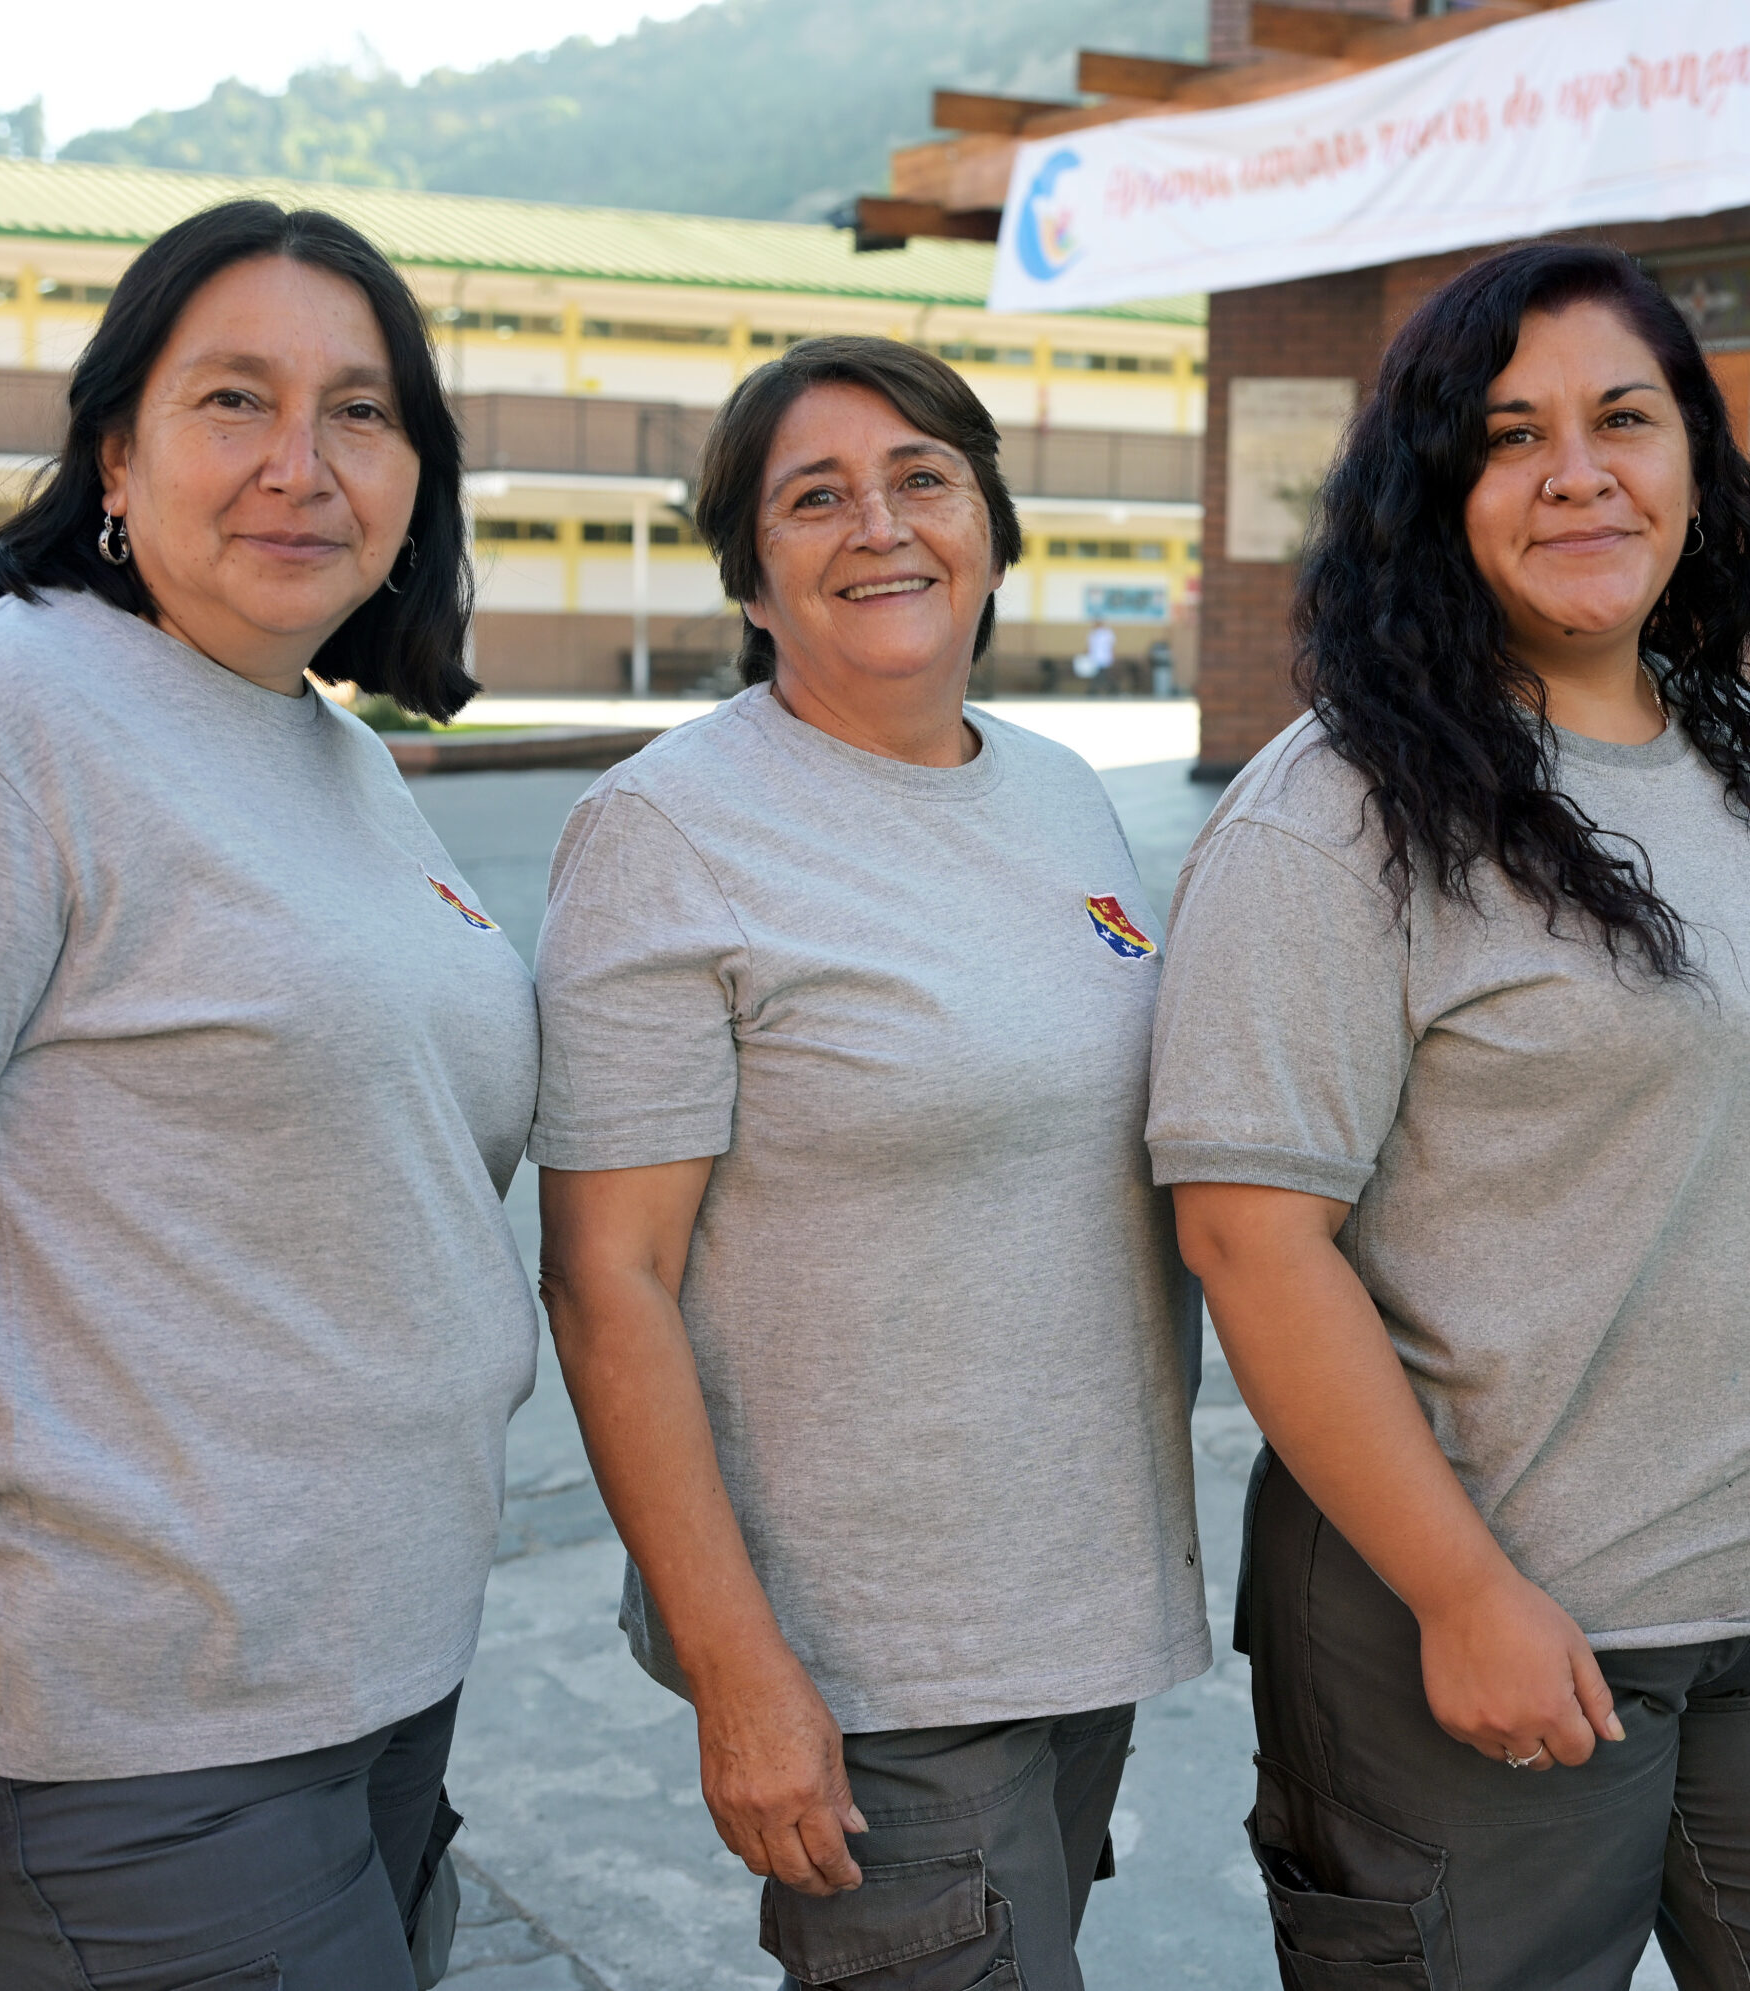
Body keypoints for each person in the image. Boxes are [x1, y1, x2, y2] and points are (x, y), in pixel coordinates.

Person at [1148, 244, 1750, 1989]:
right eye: (1511, 436)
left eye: (1623, 419)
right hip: (1499, 1610)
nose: (1578, 472)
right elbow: (1251, 1239)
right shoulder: (1333, 816)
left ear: (1692, 462)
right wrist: (1462, 1591)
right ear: (1434, 492)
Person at [0, 199, 532, 1990]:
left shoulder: (329, 748)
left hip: (374, 1674)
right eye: (234, 399)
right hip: (132, 1724)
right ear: (115, 450)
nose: (301, 463)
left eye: (361, 410)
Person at [533, 335, 1208, 1991]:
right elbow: (607, 1279)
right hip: (871, 1658)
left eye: (922, 477)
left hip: (1077, 1604)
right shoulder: (669, 829)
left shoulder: (1059, 793)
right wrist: (738, 1668)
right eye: (815, 497)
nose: (881, 525)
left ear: (991, 526)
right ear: (750, 577)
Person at [1077, 615, 1117, 696]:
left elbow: (1111, 646)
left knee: (1104, 675)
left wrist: (1112, 656)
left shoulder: (1107, 633)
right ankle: (1094, 691)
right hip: (1095, 658)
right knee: (1097, 676)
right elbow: (1089, 646)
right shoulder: (1093, 633)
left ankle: (1111, 690)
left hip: (1105, 657)